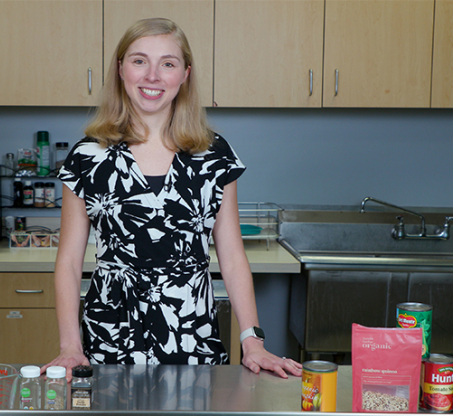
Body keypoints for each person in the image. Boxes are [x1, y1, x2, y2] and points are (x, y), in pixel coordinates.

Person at [43, 17, 302, 380]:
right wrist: (71, 347)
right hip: (110, 335)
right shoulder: (88, 157)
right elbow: (69, 262)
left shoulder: (214, 155)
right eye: (139, 61)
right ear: (120, 70)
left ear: (184, 75)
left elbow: (231, 254)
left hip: (192, 334)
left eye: (167, 63)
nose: (152, 75)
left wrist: (252, 341)